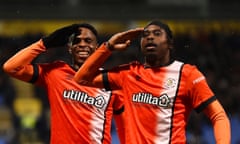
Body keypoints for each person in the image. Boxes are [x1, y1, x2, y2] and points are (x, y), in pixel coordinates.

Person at [73, 20, 231, 144]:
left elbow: (218, 115)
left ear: (170, 43)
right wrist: (108, 47)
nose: (150, 37)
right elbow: (81, 78)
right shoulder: (128, 74)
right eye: (146, 34)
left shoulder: (187, 74)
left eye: (157, 33)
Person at [3, 23, 125, 144]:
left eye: (88, 41)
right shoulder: (55, 72)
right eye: (77, 41)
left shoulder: (110, 81)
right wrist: (44, 43)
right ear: (69, 47)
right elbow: (11, 67)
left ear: (97, 47)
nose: (82, 44)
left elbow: (125, 126)